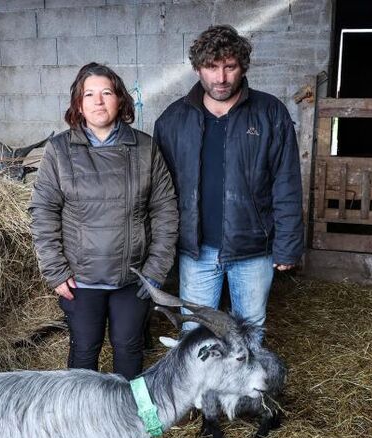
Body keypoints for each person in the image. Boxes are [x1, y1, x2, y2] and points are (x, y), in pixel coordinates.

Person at [29, 62, 179, 380]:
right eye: (89, 94)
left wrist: (154, 271)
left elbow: (165, 210)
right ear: (78, 104)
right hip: (80, 280)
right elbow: (43, 212)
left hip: (133, 278)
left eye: (107, 93)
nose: (99, 101)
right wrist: (55, 270)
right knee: (84, 349)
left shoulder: (145, 148)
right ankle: (81, 424)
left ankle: (131, 420)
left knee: (129, 347)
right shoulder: (59, 151)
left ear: (120, 100)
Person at [153, 25, 303, 335]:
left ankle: (246, 386)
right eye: (211, 67)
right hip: (196, 250)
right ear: (197, 68)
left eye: (230, 67)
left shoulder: (270, 113)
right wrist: (161, 248)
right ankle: (203, 386)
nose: (221, 78)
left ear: (242, 67)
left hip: (253, 249)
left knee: (249, 331)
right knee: (196, 332)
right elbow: (160, 193)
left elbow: (286, 181)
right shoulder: (172, 120)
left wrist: (288, 245)